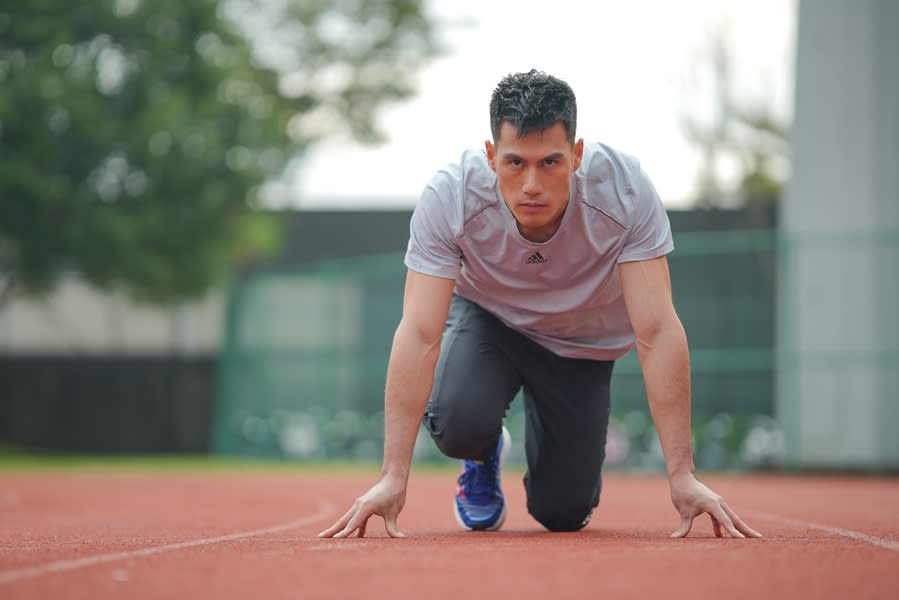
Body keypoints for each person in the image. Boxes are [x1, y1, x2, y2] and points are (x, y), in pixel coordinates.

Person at [318, 69, 762, 539]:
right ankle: (483, 451)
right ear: (491, 157)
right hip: (492, 322)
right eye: (515, 163)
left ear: (577, 155)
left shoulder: (625, 192)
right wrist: (393, 475)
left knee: (563, 513)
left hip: (582, 343)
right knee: (458, 423)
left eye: (550, 163)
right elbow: (419, 333)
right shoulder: (450, 198)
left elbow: (656, 330)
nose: (531, 184)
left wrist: (682, 474)